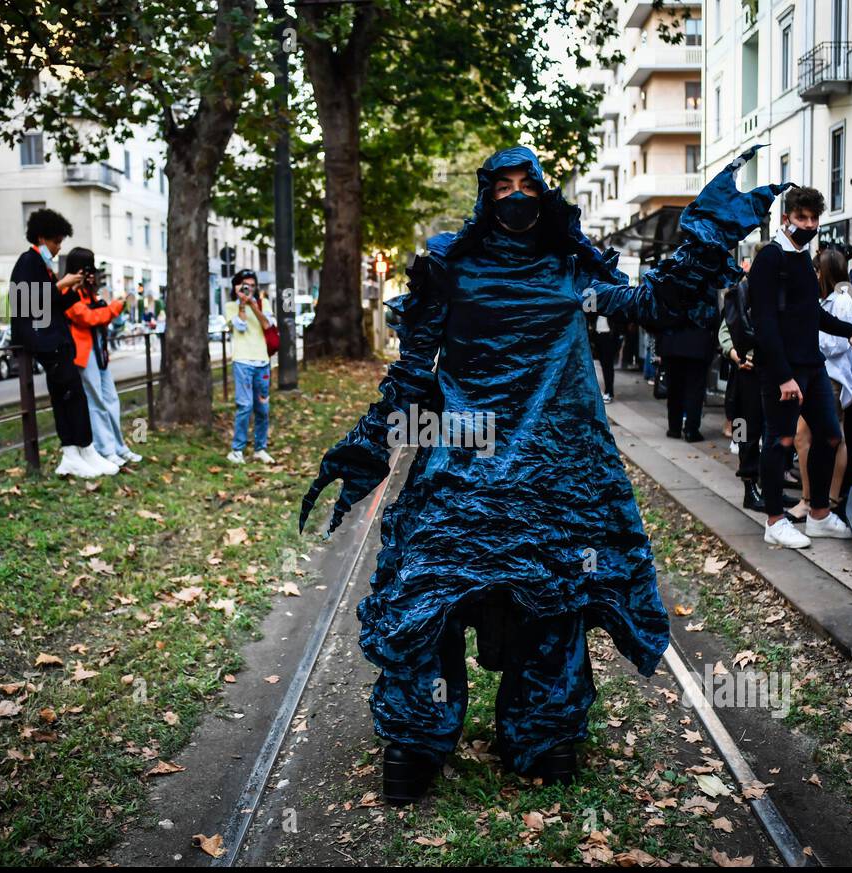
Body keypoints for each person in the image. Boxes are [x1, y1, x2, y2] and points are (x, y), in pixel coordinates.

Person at [300, 145, 786, 803]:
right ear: (483, 194)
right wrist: (367, 448)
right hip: (463, 470)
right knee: (427, 599)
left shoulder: (569, 266)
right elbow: (414, 373)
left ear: (545, 192)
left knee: (553, 604)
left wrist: (706, 235)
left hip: (553, 475)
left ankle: (545, 735)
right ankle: (415, 745)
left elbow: (655, 303)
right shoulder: (452, 265)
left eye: (527, 183)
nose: (516, 195)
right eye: (501, 185)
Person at [749, 186, 852, 549]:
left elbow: (812, 313)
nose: (809, 224)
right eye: (802, 218)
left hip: (813, 367)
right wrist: (784, 375)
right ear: (787, 217)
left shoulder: (803, 257)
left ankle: (818, 514)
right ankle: (774, 520)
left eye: (815, 218)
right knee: (781, 441)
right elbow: (765, 322)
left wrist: (850, 332)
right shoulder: (770, 258)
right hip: (783, 370)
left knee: (831, 436)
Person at [8, 208, 114, 478]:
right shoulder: (27, 261)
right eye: (56, 242)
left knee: (70, 397)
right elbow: (26, 302)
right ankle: (79, 451)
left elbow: (50, 304)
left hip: (53, 340)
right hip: (46, 341)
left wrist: (72, 289)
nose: (58, 248)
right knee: (72, 396)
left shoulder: (40, 264)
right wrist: (60, 285)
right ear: (42, 238)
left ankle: (78, 452)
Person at [785, 248, 852, 517]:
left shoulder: (841, 302)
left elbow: (841, 342)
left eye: (817, 270)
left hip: (832, 378)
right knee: (810, 437)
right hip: (821, 375)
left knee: (823, 437)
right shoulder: (824, 300)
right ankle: (817, 499)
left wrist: (807, 339)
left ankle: (822, 500)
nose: (813, 274)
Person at [64, 247, 142, 469]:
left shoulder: (88, 293)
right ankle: (106, 449)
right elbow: (87, 318)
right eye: (89, 271)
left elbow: (98, 317)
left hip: (98, 351)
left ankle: (119, 447)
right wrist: (115, 307)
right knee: (96, 400)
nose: (92, 276)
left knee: (110, 399)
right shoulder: (68, 293)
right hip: (84, 354)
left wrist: (109, 310)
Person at [719, 243, 767, 510]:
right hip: (746, 371)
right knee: (745, 429)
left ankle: (766, 483)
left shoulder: (772, 290)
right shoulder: (741, 291)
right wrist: (738, 357)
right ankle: (749, 485)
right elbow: (724, 332)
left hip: (767, 370)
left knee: (766, 429)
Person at [226, 269, 275, 465]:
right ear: (237, 286)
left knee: (262, 408)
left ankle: (260, 448)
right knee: (245, 406)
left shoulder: (263, 304)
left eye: (253, 286)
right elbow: (240, 326)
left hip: (262, 361)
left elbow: (267, 325)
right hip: (242, 362)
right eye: (245, 286)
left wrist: (253, 305)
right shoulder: (231, 306)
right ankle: (237, 450)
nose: (249, 289)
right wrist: (242, 305)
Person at [658, 287, 719, 441]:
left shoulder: (671, 283)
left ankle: (674, 428)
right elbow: (713, 317)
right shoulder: (706, 287)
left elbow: (660, 315)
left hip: (672, 345)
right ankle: (691, 430)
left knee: (674, 389)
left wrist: (660, 346)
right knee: (695, 390)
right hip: (698, 345)